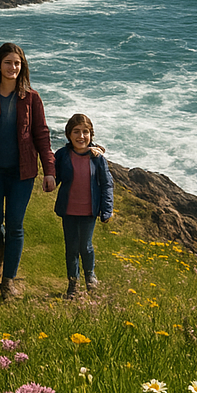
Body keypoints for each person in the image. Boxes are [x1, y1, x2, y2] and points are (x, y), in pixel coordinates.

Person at [0, 42, 56, 301]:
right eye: (8, 62)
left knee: (16, 226)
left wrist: (49, 170)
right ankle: (1, 249)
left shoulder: (32, 98)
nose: (13, 67)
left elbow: (41, 134)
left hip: (23, 173)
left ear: (23, 67)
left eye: (17, 63)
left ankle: (8, 282)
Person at [53, 113, 114, 299]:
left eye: (85, 132)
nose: (81, 136)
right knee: (71, 248)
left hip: (89, 211)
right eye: (76, 132)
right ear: (68, 135)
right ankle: (73, 284)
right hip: (69, 209)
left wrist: (107, 209)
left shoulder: (97, 157)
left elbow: (107, 184)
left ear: (91, 134)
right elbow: (55, 177)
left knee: (85, 246)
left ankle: (90, 278)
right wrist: (48, 180)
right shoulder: (62, 155)